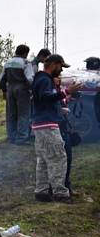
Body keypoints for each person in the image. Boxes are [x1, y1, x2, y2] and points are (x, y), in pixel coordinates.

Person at [31, 55, 82, 203]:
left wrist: (65, 99)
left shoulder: (41, 79)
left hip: (40, 124)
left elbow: (46, 100)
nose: (60, 71)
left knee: (43, 159)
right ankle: (60, 193)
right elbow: (46, 97)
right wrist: (66, 91)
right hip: (47, 125)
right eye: (60, 67)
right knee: (58, 157)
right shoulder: (44, 80)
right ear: (53, 64)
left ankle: (41, 192)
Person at [0, 45, 34, 144]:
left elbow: (1, 80)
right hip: (22, 90)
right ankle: (22, 138)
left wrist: (4, 91)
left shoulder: (8, 62)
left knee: (11, 114)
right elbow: (30, 79)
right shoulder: (26, 62)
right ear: (25, 53)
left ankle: (11, 137)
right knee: (24, 114)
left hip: (10, 89)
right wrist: (31, 90)